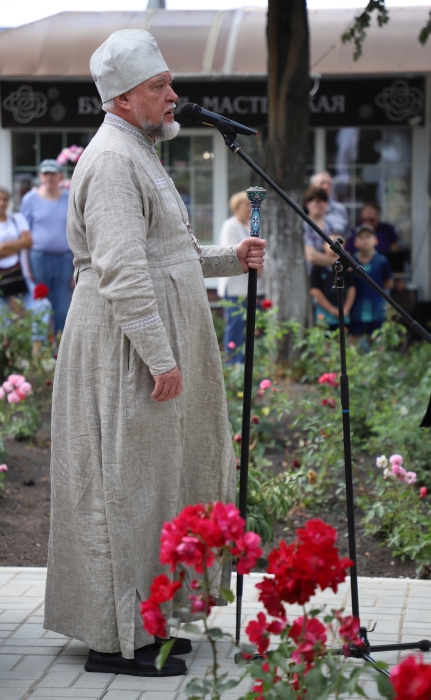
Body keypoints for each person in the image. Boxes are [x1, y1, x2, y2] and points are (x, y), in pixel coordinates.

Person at [43, 29, 266, 679]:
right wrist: (158, 357)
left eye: (169, 83)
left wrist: (230, 258)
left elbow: (167, 253)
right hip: (123, 351)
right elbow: (121, 271)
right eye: (159, 87)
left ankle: (150, 620)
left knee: (150, 486)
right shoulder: (113, 160)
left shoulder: (139, 151)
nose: (174, 95)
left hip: (144, 345)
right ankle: (118, 638)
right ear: (121, 98)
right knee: (122, 488)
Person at [20, 159, 72, 335]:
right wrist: (26, 268)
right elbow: (23, 234)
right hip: (39, 258)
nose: (49, 178)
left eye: (53, 174)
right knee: (40, 304)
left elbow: (77, 229)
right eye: (46, 174)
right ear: (41, 176)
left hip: (65, 258)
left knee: (63, 305)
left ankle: (60, 348)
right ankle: (40, 347)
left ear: (61, 177)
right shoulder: (30, 199)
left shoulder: (69, 197)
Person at [217, 191, 266, 362]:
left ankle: (248, 361)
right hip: (236, 286)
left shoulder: (250, 227)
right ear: (236, 207)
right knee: (236, 324)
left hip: (255, 286)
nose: (250, 208)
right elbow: (230, 252)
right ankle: (232, 362)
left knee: (253, 326)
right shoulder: (231, 226)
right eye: (246, 205)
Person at [349, 224, 393, 339]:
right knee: (355, 337)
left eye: (368, 237)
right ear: (355, 242)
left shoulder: (382, 261)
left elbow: (389, 282)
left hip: (377, 306)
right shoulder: (350, 261)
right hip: (356, 307)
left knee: (377, 337)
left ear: (375, 240)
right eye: (361, 237)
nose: (365, 240)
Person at [310, 233, 356, 332]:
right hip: (324, 312)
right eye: (331, 241)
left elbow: (352, 288)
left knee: (342, 339)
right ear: (323, 245)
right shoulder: (318, 267)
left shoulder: (346, 267)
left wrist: (346, 309)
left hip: (344, 312)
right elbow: (314, 290)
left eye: (340, 242)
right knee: (325, 341)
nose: (336, 245)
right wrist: (331, 309)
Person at [0, 186, 33, 311]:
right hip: (1, 276)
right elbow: (23, 243)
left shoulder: (17, 219)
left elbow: (28, 241)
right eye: (0, 199)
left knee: (40, 306)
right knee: (3, 316)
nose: (2, 203)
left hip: (20, 273)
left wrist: (4, 247)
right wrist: (19, 244)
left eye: (5, 199)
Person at [302, 185, 337, 273]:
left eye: (324, 201)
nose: (321, 204)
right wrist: (338, 262)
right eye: (317, 201)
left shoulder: (330, 225)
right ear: (307, 204)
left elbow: (335, 251)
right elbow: (311, 256)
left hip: (327, 276)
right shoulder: (303, 225)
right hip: (309, 276)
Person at [310, 171, 349, 236]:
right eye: (322, 183)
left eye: (329, 184)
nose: (326, 186)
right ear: (312, 186)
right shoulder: (306, 208)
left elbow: (347, 235)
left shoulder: (340, 209)